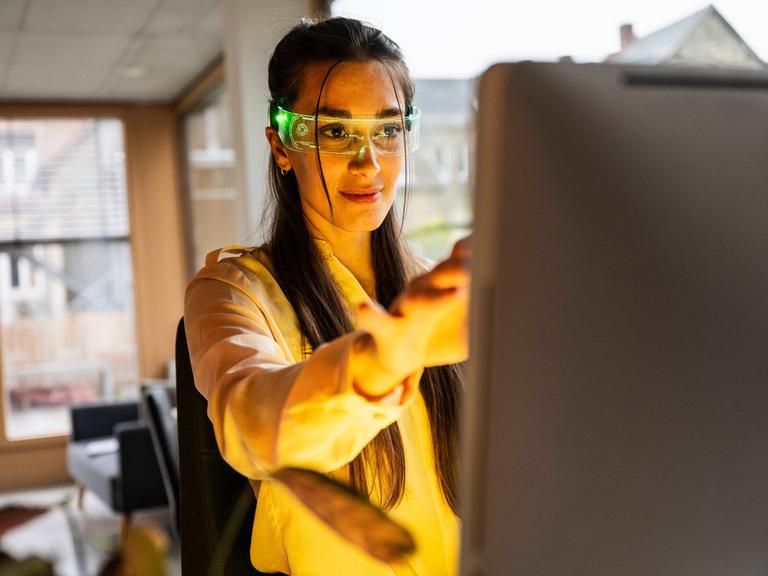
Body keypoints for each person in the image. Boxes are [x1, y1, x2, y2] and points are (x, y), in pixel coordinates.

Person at [184, 16, 470, 576]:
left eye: (387, 130)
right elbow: (251, 424)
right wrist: (378, 364)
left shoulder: (440, 295)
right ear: (283, 146)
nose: (369, 163)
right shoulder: (235, 290)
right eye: (336, 132)